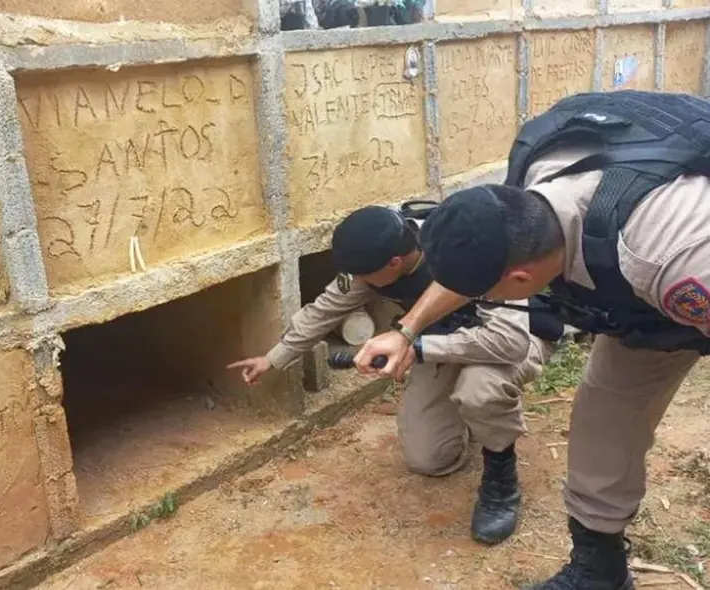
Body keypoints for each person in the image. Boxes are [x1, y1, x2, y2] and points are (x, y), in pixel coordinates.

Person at [352, 89, 710, 590]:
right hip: (640, 298)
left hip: (679, 254)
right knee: (603, 419)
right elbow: (472, 265)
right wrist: (408, 330)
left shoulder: (669, 256)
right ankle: (599, 569)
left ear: (520, 282)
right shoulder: (530, 190)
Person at [227, 204, 565, 546]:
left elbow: (508, 342)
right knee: (428, 458)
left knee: (480, 390)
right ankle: (471, 418)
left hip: (512, 341)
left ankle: (501, 477)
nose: (358, 281)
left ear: (395, 262)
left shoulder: (470, 251)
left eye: (364, 275)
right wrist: (273, 358)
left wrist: (415, 349)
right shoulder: (378, 258)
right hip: (443, 342)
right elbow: (325, 309)